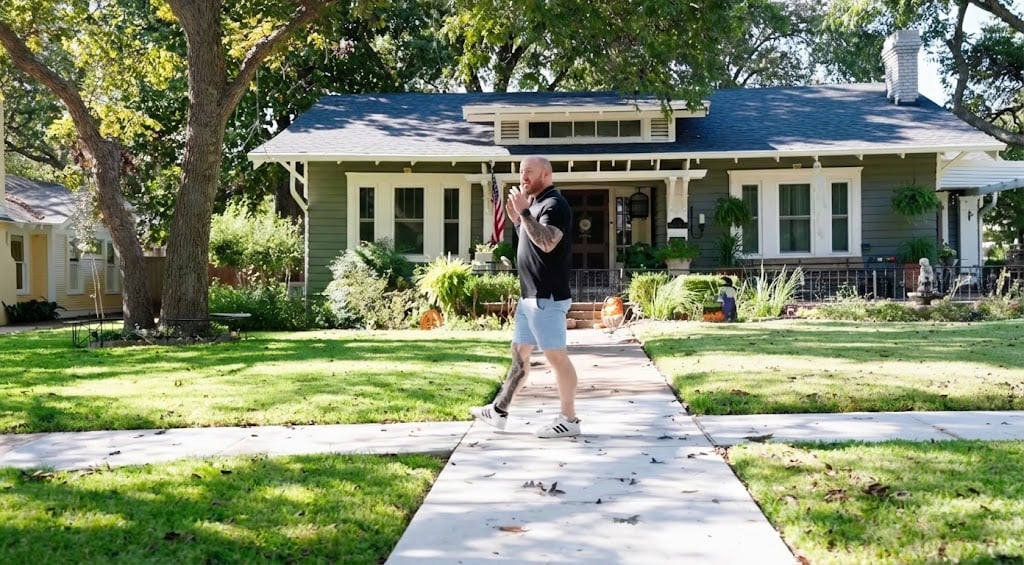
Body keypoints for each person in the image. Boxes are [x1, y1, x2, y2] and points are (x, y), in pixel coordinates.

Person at [470, 156, 582, 438]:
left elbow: (547, 243)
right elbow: (531, 243)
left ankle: (569, 419)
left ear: (546, 174)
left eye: (529, 171)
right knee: (520, 354)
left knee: (557, 358)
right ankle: (499, 411)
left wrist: (524, 214)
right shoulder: (534, 206)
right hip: (529, 297)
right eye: (521, 172)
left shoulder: (554, 205)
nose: (523, 177)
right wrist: (519, 220)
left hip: (546, 297)